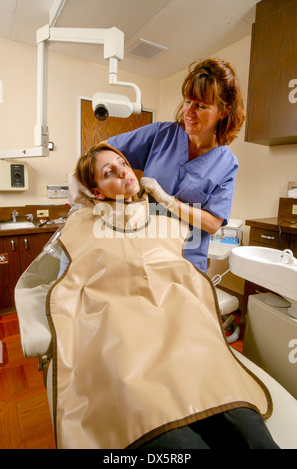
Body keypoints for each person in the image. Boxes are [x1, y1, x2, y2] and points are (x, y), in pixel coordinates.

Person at [31, 143, 278, 450]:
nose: (123, 170)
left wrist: (167, 201)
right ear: (95, 192)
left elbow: (198, 242)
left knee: (242, 421)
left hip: (179, 328)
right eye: (109, 172)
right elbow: (53, 282)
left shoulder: (163, 219)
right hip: (125, 334)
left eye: (122, 163)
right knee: (160, 426)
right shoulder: (81, 227)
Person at [106, 58, 245, 273]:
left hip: (186, 264)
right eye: (188, 101)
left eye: (201, 106)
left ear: (223, 112)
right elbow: (106, 150)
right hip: (142, 254)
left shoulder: (226, 163)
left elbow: (213, 223)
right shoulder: (160, 134)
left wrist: (170, 202)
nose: (189, 112)